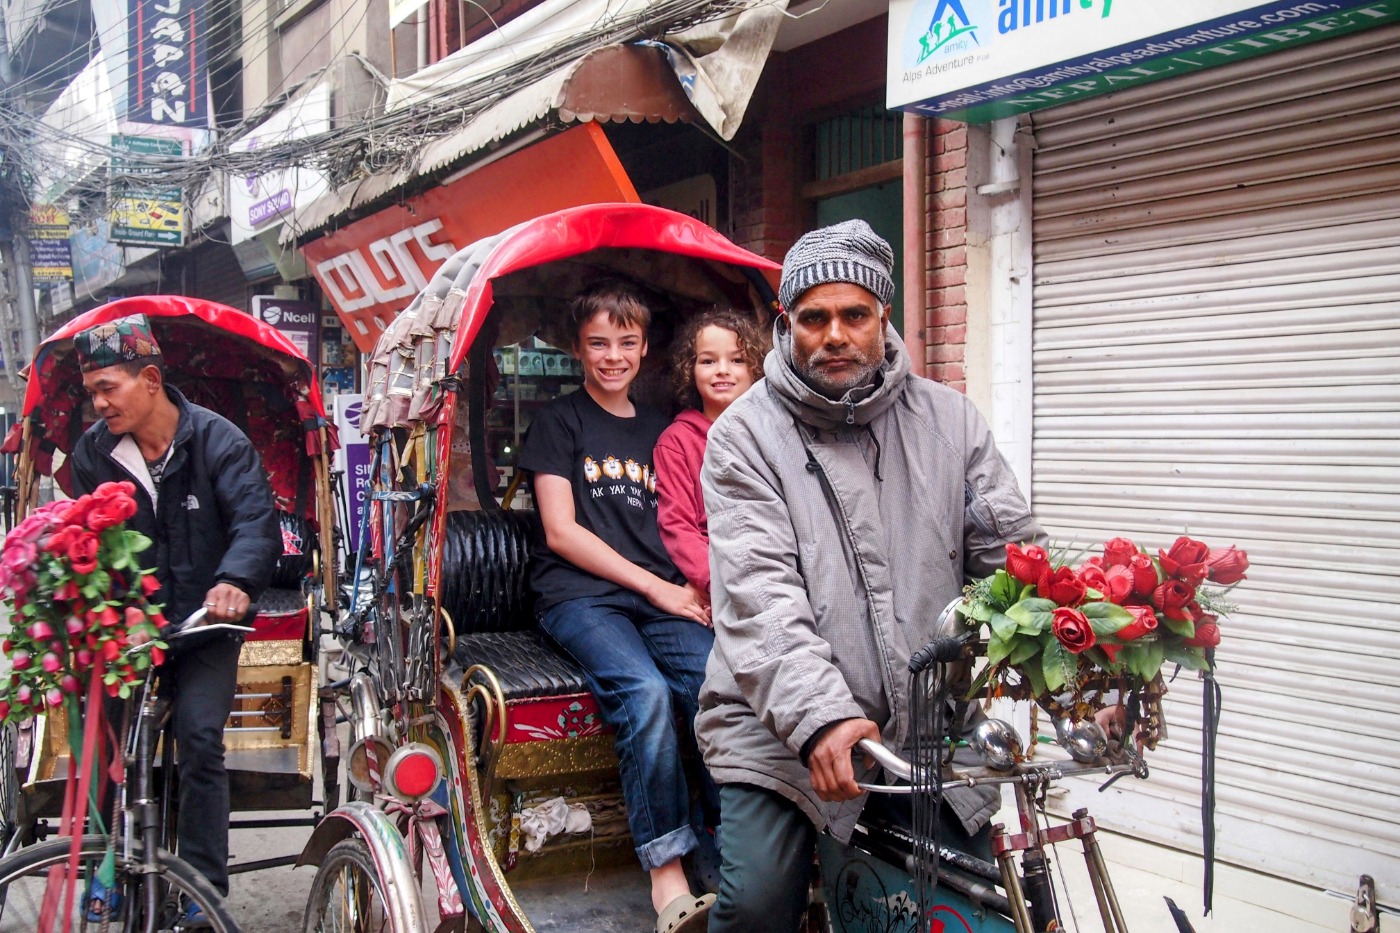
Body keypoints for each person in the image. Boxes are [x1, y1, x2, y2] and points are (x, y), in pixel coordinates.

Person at [696, 220, 1047, 932]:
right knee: (759, 904)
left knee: (974, 906)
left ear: (884, 317)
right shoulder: (743, 436)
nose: (834, 335)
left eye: (854, 314)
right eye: (814, 317)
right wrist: (819, 717)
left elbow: (1015, 567)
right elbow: (762, 599)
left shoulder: (951, 422)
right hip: (779, 732)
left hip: (924, 729)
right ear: (785, 321)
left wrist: (1081, 669)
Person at [517, 279, 716, 933]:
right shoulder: (558, 420)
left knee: (722, 691)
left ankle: (733, 853)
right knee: (645, 691)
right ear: (578, 348)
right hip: (580, 596)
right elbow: (560, 531)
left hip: (661, 595)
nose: (612, 356)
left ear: (644, 346)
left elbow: (687, 517)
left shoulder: (663, 428)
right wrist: (657, 587)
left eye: (625, 342)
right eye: (599, 342)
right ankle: (667, 868)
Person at [68, 313, 280, 924]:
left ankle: (203, 888)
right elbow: (91, 537)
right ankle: (104, 866)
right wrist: (106, 608)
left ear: (151, 379)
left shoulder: (220, 442)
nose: (99, 403)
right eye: (91, 393)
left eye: (108, 388)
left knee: (199, 737)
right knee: (108, 741)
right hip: (132, 627)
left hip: (205, 625)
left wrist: (235, 582)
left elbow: (254, 524)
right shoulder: (94, 452)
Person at [653, 310, 764, 598]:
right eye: (708, 361)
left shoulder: (773, 435)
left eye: (737, 360)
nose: (722, 370)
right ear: (690, 370)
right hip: (719, 580)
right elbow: (678, 526)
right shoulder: (676, 442)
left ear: (756, 369)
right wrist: (718, 585)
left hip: (776, 571)